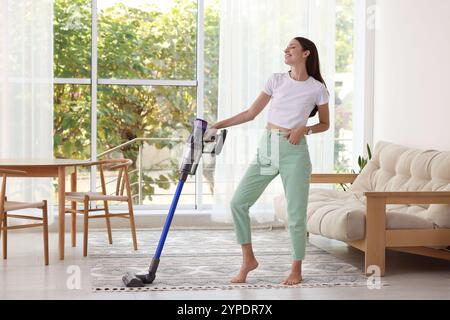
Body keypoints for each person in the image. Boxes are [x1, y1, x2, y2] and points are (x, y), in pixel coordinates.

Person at [206, 37, 330, 285]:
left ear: (306, 54)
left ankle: (296, 269)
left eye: (292, 47)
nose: (286, 50)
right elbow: (251, 113)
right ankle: (248, 260)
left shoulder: (317, 88)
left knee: (295, 215)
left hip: (294, 153)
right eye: (286, 47)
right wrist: (217, 125)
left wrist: (304, 129)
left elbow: (325, 124)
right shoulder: (276, 80)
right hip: (268, 148)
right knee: (238, 203)